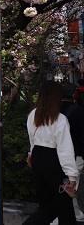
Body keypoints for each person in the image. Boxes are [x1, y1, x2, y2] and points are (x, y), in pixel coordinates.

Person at [24, 81, 79, 224]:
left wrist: (31, 154)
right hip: (53, 160)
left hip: (37, 157)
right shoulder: (60, 119)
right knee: (64, 207)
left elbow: (32, 138)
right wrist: (71, 175)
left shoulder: (33, 115)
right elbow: (64, 149)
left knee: (46, 207)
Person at [60, 83, 84, 222]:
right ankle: (76, 213)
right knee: (74, 183)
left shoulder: (53, 110)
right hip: (75, 153)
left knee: (62, 183)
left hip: (55, 154)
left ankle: (62, 212)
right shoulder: (78, 111)